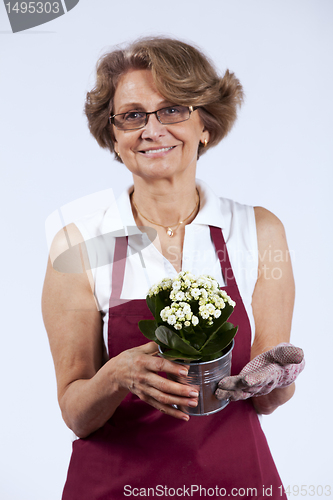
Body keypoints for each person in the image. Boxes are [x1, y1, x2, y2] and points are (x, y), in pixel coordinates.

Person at [42, 37, 304, 499]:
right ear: (115, 136)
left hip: (236, 484)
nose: (152, 129)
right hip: (113, 488)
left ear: (205, 124)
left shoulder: (258, 232)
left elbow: (265, 398)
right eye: (133, 115)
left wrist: (279, 379)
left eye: (173, 110)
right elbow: (76, 411)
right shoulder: (79, 244)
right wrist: (116, 375)